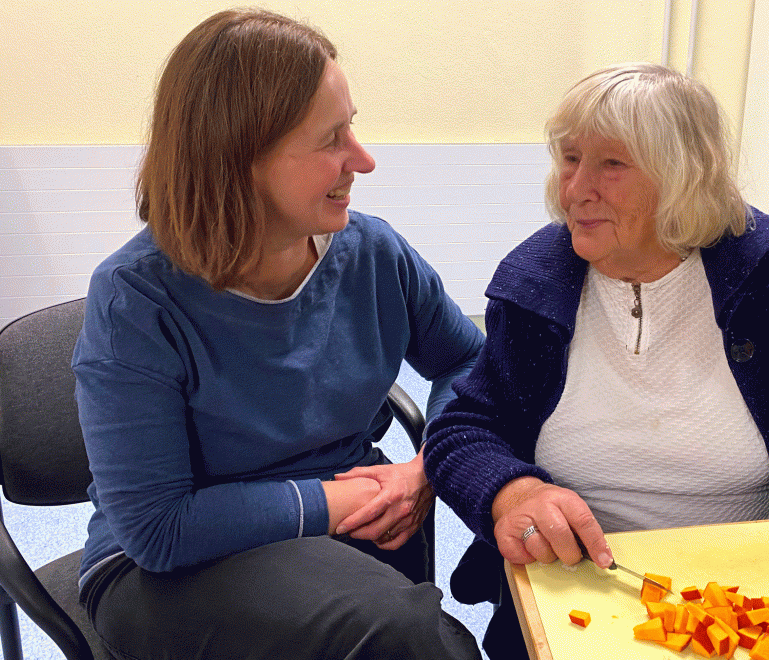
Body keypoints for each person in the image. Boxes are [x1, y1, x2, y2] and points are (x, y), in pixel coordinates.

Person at [422, 62, 769, 658]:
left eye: (612, 164)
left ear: (684, 177)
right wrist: (514, 493)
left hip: (750, 593)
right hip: (578, 592)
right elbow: (465, 427)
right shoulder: (534, 287)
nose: (576, 189)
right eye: (570, 159)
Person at [71, 9, 484, 659]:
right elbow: (157, 529)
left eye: (353, 127)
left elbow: (467, 361)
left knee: (414, 631)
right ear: (238, 161)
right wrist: (340, 500)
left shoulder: (374, 254)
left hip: (348, 526)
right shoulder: (136, 301)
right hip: (172, 564)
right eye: (331, 140)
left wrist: (429, 465)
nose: (364, 160)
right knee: (403, 635)